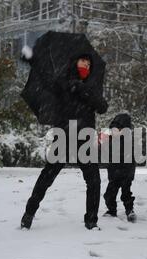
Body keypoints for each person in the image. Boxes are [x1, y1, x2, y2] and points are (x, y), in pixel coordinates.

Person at [21, 54, 108, 230]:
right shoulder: (63, 82)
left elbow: (102, 107)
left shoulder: (91, 85)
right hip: (64, 137)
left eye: (89, 64)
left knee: (94, 181)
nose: (86, 65)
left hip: (85, 139)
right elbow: (45, 76)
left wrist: (85, 90)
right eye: (83, 61)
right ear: (75, 63)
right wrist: (33, 60)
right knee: (47, 177)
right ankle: (28, 214)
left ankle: (91, 221)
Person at [103, 113, 137, 223]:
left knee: (126, 193)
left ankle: (129, 210)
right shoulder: (111, 140)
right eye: (113, 129)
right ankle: (111, 210)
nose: (115, 131)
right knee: (109, 195)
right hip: (114, 173)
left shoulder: (127, 139)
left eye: (118, 129)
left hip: (126, 172)